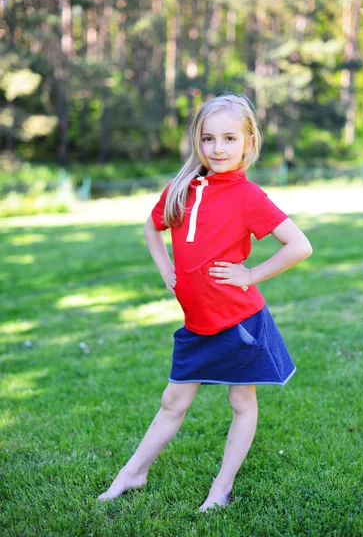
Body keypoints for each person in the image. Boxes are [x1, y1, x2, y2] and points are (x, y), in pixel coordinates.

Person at [98, 93, 312, 511]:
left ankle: (221, 488)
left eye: (229, 138)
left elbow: (299, 245)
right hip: (198, 322)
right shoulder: (183, 188)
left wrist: (250, 275)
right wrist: (166, 271)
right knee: (172, 401)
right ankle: (133, 473)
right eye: (208, 138)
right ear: (197, 141)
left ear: (248, 143)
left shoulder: (249, 196)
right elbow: (150, 226)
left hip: (240, 321)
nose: (217, 148)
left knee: (240, 401)